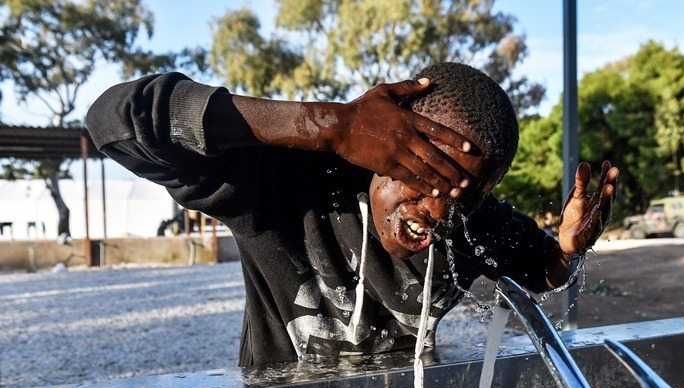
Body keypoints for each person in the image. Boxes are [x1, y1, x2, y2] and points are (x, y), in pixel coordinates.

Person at [86, 62, 617, 367]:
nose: (436, 210)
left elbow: (541, 271)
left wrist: (568, 251)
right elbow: (116, 121)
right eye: (425, 176)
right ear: (386, 149)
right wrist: (331, 126)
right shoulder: (279, 186)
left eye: (463, 194)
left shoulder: (471, 225)